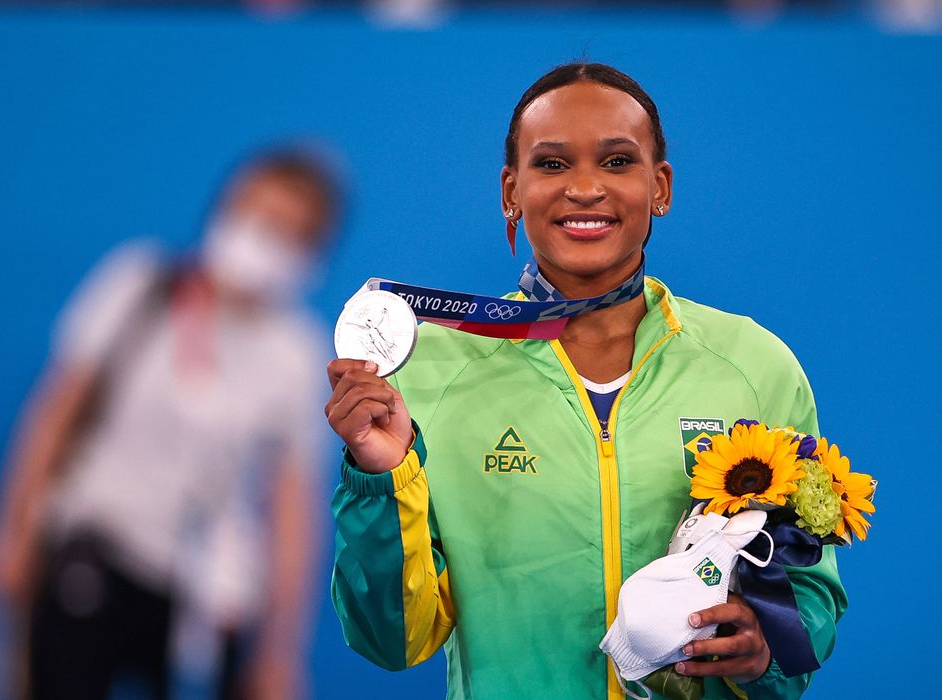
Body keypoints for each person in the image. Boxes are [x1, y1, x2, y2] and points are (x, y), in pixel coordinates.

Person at [326, 63, 847, 699]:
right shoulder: (432, 373)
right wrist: (379, 480)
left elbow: (809, 596)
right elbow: (393, 641)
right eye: (551, 165)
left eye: (618, 162)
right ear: (510, 191)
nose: (585, 189)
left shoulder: (755, 367)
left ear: (661, 187)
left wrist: (766, 645)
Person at [0, 147, 341, 700]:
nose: (262, 239)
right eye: (255, 216)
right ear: (224, 209)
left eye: (287, 231)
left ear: (310, 253)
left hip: (208, 591)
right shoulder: (140, 284)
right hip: (95, 551)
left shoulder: (296, 353)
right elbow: (56, 410)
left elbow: (293, 508)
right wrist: (14, 531)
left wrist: (279, 651)